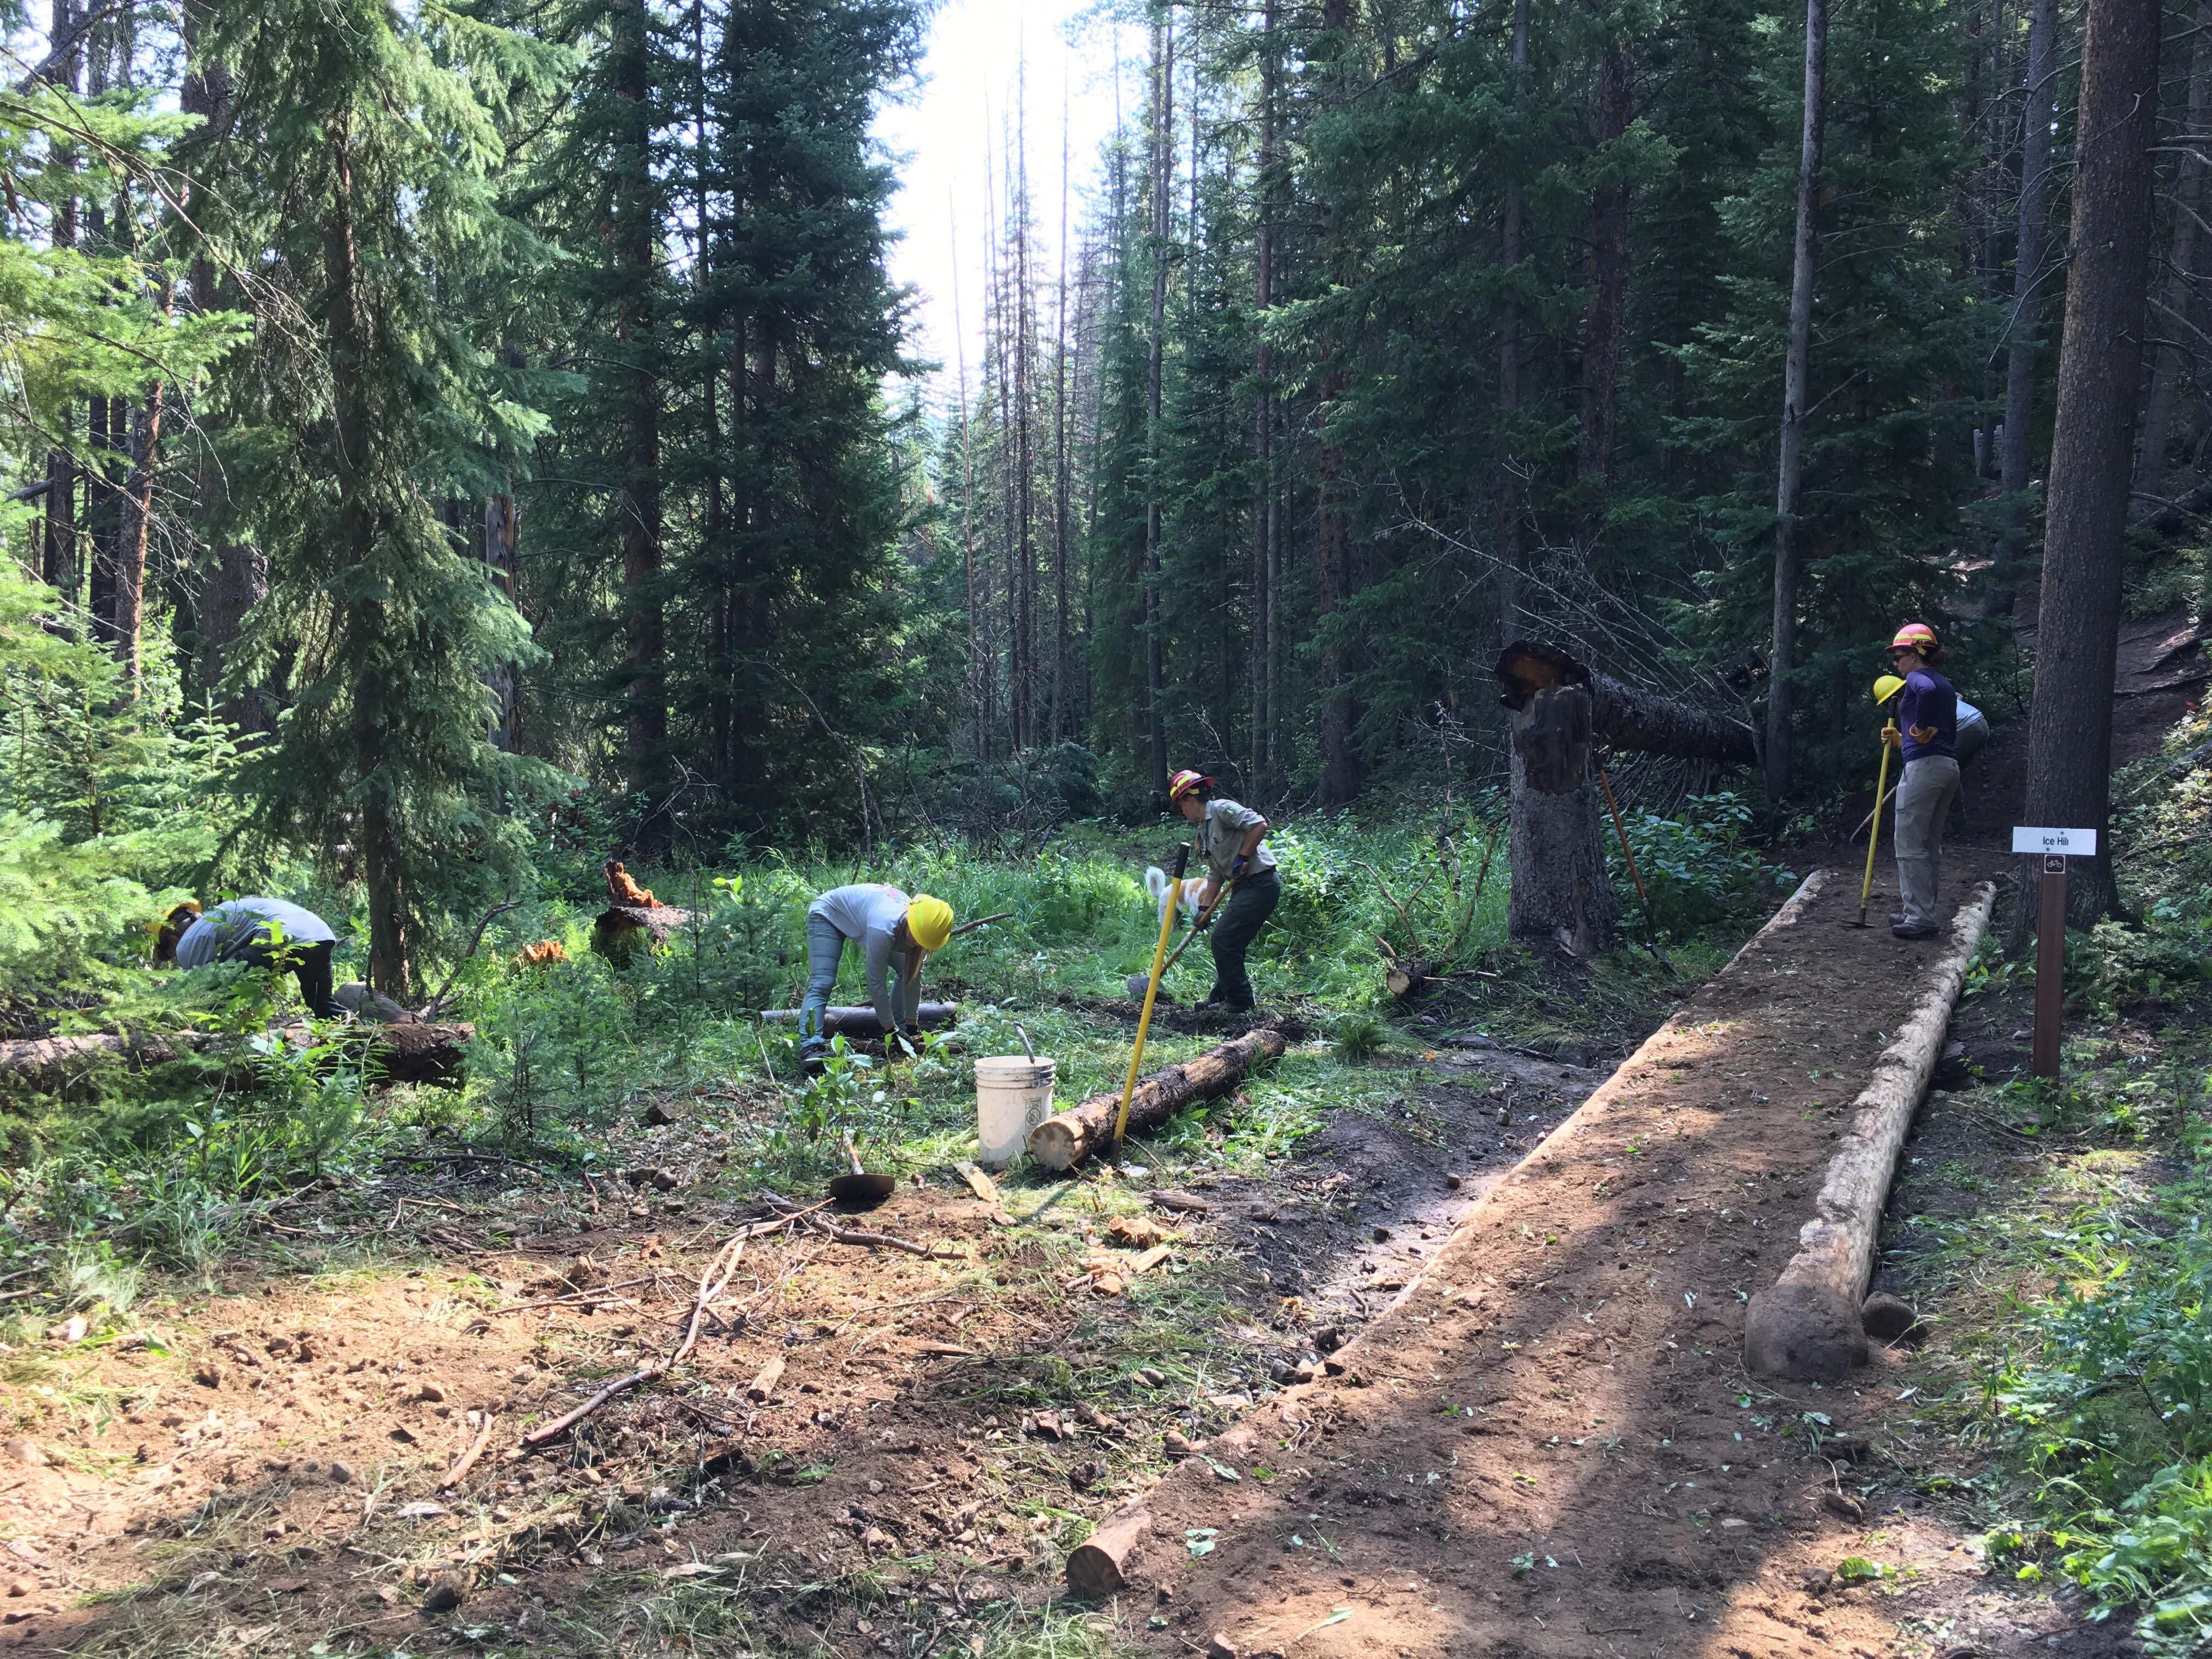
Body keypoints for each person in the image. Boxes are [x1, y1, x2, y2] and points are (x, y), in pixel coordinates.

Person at [799, 885, 954, 1070]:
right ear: (911, 920)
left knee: (906, 971)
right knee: (822, 983)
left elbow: (913, 977)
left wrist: (911, 1027)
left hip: (870, 921)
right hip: (827, 914)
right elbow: (876, 983)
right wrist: (890, 1029)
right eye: (916, 936)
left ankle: (901, 1026)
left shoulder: (919, 924)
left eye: (922, 941)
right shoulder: (884, 927)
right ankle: (811, 1049)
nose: (915, 943)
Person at [1167, 769, 1280, 1012]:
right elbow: (1215, 875)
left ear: (1189, 799)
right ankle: (1220, 998)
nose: (1181, 812)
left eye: (1180, 806)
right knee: (1229, 942)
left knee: (1223, 940)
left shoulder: (1221, 809)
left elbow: (1259, 824)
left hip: (1260, 884)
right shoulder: (1204, 832)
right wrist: (1204, 909)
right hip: (1243, 888)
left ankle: (1240, 1003)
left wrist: (1243, 856)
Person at [1880, 623, 1960, 940]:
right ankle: (1922, 909)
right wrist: (1904, 740)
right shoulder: (1946, 684)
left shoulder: (1917, 678)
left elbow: (1923, 693)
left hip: (1924, 771)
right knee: (1929, 844)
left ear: (1915, 655)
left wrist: (1919, 726)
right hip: (1946, 766)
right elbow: (1939, 737)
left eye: (1899, 656)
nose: (1896, 664)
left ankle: (1919, 916)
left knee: (1910, 843)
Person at [154, 896, 345, 1018]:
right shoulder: (217, 916)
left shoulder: (188, 941)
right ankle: (363, 1036)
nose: (176, 958)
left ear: (172, 941)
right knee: (323, 1005)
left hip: (276, 934)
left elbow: (204, 992)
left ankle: (222, 1046)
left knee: (220, 992)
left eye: (170, 955)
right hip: (320, 933)